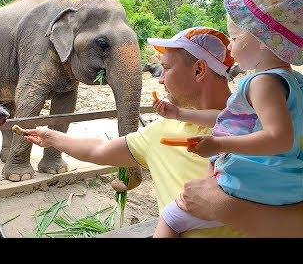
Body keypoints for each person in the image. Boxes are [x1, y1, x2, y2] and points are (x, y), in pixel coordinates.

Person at [25, 26, 249, 237]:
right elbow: (101, 150)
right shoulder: (163, 130)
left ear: (199, 69)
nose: (160, 79)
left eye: (167, 68)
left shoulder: (258, 131)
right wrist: (52, 136)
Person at [152, 0, 303, 238]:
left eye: (234, 38)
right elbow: (233, 119)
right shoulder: (293, 82)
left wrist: (220, 145)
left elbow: (279, 138)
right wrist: (179, 113)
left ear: (262, 41)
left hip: (249, 184)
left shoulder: (262, 82)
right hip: (286, 183)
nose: (230, 48)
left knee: (169, 219)